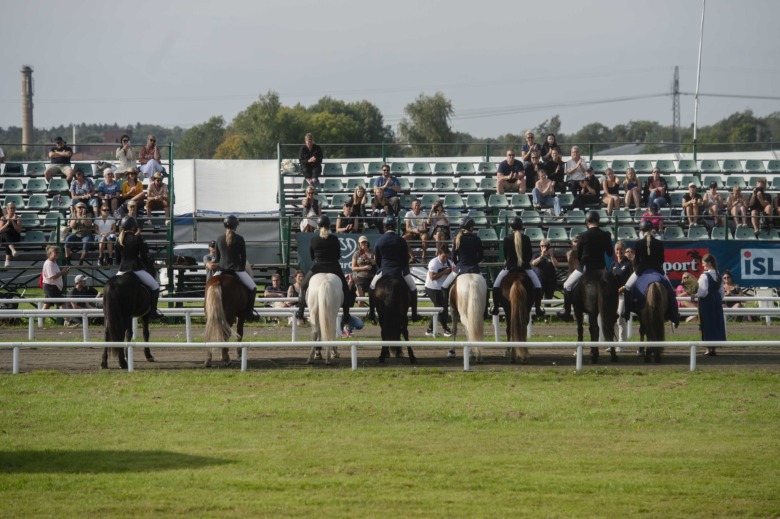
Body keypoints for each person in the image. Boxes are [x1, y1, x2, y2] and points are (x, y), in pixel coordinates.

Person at [619, 219, 679, 327]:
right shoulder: (659, 243)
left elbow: (637, 261)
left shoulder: (638, 243)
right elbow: (661, 260)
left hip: (641, 271)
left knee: (627, 288)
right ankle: (675, 316)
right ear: (652, 230)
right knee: (670, 289)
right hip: (657, 270)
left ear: (642, 231)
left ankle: (627, 313)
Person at [295, 214, 353, 322]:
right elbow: (337, 255)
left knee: (303, 286)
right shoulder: (335, 239)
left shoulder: (313, 239)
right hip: (333, 267)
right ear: (329, 226)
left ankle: (300, 312)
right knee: (345, 288)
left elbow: (312, 257)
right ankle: (346, 314)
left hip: (317, 267)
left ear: (318, 226)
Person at [556, 210, 613, 322]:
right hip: (601, 269)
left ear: (587, 222)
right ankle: (613, 311)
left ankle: (566, 311)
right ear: (598, 221)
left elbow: (579, 255)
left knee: (567, 284)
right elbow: (610, 253)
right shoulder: (606, 235)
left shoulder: (582, 236)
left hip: (586, 268)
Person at [369, 215, 421, 321]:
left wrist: (383, 267)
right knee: (413, 289)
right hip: (400, 271)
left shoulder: (380, 241)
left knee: (371, 288)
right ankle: (414, 314)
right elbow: (404, 258)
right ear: (394, 226)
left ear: (384, 227)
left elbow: (378, 260)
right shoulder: (401, 240)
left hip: (384, 271)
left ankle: (372, 314)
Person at [490, 216, 544, 317]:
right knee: (538, 285)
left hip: (509, 267)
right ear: (522, 227)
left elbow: (506, 255)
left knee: (496, 285)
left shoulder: (507, 238)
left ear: (511, 227)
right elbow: (529, 256)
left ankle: (495, 307)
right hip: (525, 268)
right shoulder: (526, 238)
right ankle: (538, 307)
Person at [115, 216, 164, 321]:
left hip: (121, 270)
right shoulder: (137, 238)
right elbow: (144, 256)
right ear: (134, 227)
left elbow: (117, 260)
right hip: (136, 269)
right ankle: (153, 312)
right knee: (155, 286)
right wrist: (145, 264)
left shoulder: (118, 240)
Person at [214, 215, 257, 321]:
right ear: (236, 226)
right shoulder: (239, 238)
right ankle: (249, 312)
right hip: (237, 270)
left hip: (221, 269)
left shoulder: (219, 239)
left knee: (208, 286)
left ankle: (206, 308)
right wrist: (242, 268)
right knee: (253, 288)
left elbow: (217, 259)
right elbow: (243, 257)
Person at [693, 253, 726, 355]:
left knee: (707, 323)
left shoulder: (704, 276)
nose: (702, 265)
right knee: (716, 322)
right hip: (716, 300)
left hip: (707, 301)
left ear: (709, 263)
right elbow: (722, 293)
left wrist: (695, 295)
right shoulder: (719, 275)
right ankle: (714, 348)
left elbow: (702, 292)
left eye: (703, 263)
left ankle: (708, 349)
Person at [440, 217, 484, 290]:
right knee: (484, 288)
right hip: (474, 268)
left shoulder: (457, 239)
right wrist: (473, 262)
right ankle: (486, 301)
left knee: (444, 286)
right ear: (470, 227)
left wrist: (459, 263)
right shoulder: (477, 239)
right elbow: (481, 256)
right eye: (473, 226)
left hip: (460, 268)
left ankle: (445, 301)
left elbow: (453, 257)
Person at [425, 244, 454, 341]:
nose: (445, 259)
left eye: (447, 257)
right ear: (439, 254)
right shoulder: (433, 263)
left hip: (442, 288)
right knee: (440, 307)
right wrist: (444, 272)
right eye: (443, 257)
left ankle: (430, 329)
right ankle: (446, 329)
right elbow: (432, 277)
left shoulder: (449, 262)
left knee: (441, 307)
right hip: (432, 288)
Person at [610, 240, 633, 345]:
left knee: (620, 317)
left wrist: (623, 287)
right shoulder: (613, 264)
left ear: (624, 250)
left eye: (621, 249)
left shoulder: (628, 264)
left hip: (623, 295)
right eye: (617, 249)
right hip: (613, 295)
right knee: (612, 318)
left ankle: (621, 344)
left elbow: (632, 279)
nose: (619, 251)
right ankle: (612, 343)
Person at [41, 245, 70, 318]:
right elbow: (52, 276)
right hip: (51, 287)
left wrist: (62, 272)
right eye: (56, 252)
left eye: (58, 253)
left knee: (47, 305)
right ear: (50, 254)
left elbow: (56, 275)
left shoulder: (53, 262)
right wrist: (62, 272)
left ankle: (40, 321)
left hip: (51, 286)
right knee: (62, 303)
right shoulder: (49, 263)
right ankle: (67, 321)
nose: (57, 254)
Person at [530, 239, 558, 305]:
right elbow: (533, 263)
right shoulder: (537, 255)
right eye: (542, 246)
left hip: (550, 280)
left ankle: (547, 314)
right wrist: (541, 256)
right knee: (538, 298)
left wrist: (551, 256)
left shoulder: (551, 255)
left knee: (548, 298)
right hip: (540, 280)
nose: (543, 247)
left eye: (545, 246)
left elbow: (556, 264)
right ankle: (536, 313)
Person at [351, 235, 375, 305]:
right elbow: (353, 268)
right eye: (362, 243)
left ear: (367, 243)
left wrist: (368, 259)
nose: (364, 244)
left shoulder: (372, 251)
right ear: (359, 244)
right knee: (361, 298)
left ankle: (372, 314)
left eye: (365, 242)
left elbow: (376, 262)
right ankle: (360, 315)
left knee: (374, 298)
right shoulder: (357, 253)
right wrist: (364, 268)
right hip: (360, 278)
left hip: (371, 277)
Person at [0, 201, 22, 267]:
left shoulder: (18, 218)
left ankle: (7, 261)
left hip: (15, 237)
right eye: (10, 208)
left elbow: (19, 231)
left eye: (13, 208)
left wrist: (13, 222)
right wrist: (7, 223)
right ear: (7, 209)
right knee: (6, 233)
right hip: (5, 237)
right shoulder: (3, 218)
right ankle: (13, 250)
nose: (12, 209)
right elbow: (0, 230)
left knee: (7, 237)